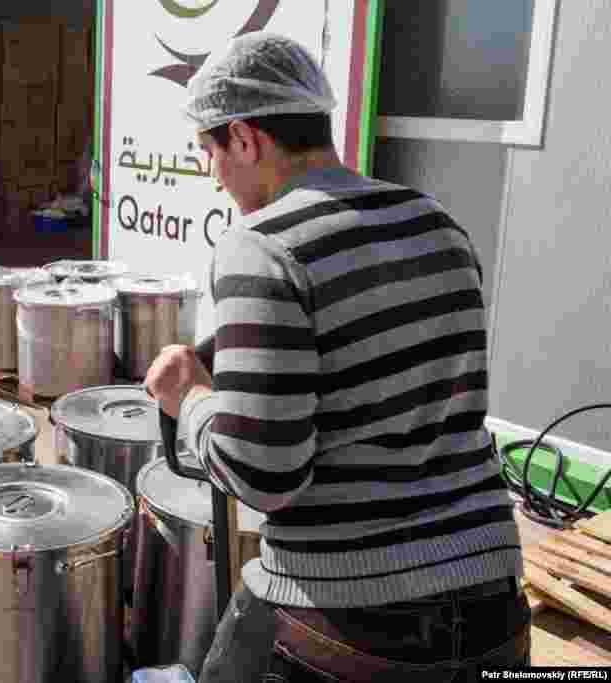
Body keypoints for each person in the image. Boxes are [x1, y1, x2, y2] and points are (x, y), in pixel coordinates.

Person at [143, 33, 529, 682]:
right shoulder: (438, 224)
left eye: (208, 152)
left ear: (244, 138)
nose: (212, 177)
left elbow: (263, 474)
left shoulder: (261, 246)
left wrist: (192, 400)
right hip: (495, 602)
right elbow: (401, 382)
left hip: (356, 619)